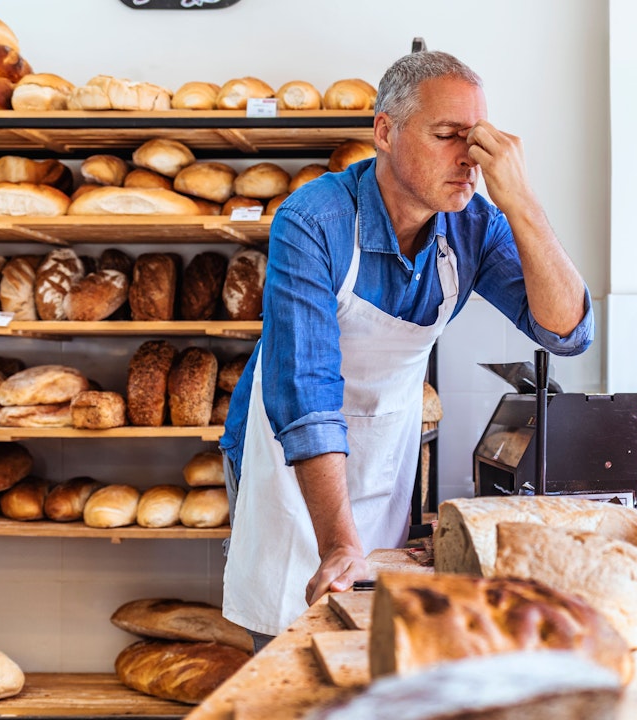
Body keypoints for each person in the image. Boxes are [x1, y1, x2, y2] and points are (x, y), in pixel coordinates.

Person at [219, 50, 594, 651]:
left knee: (373, 649)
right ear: (385, 132)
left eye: (476, 141)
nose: (468, 160)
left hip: (382, 458)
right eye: (447, 136)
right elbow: (307, 393)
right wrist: (341, 543)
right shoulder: (313, 221)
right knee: (289, 646)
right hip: (290, 460)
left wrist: (521, 201)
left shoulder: (474, 225)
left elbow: (567, 332)